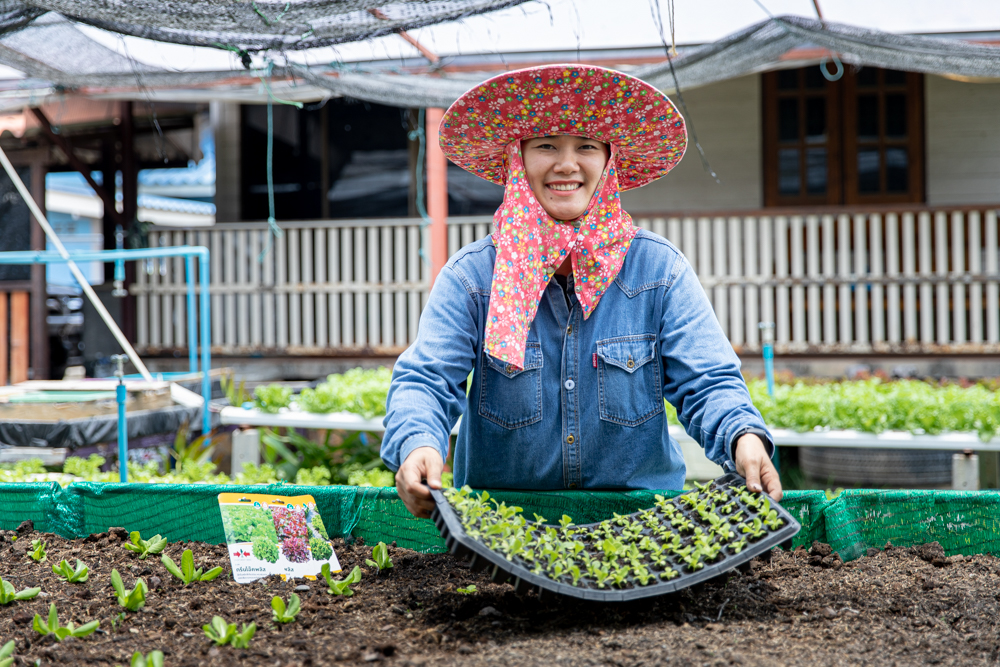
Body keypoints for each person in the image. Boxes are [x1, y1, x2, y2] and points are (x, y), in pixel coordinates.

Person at [381, 64, 780, 519]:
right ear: (518, 158)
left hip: (639, 528)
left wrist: (743, 437)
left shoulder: (658, 270)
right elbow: (426, 380)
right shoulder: (473, 279)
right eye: (546, 145)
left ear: (609, 162)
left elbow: (708, 381)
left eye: (586, 147)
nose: (566, 164)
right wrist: (418, 444)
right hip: (502, 531)